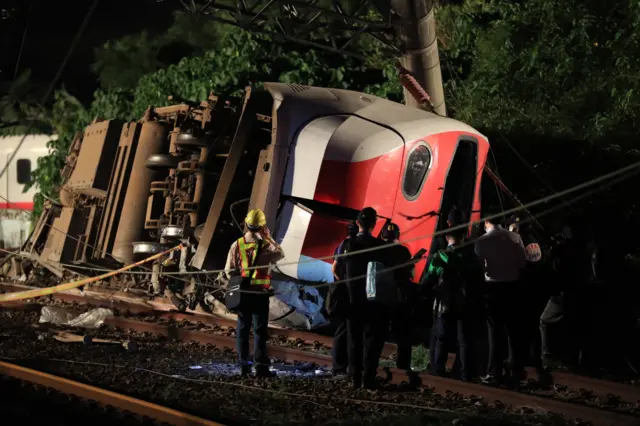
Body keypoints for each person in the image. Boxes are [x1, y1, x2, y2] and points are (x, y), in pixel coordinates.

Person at [225, 208, 285, 378]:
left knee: (242, 330)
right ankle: (260, 368)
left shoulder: (237, 245)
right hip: (260, 294)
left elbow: (229, 271)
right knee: (260, 331)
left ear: (246, 224)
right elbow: (281, 253)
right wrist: (269, 237)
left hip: (243, 294)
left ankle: (243, 367)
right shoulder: (266, 246)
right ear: (262, 227)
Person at [423, 225, 484, 381]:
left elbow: (430, 278)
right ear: (463, 236)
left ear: (446, 237)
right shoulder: (473, 257)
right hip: (465, 302)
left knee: (440, 336)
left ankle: (438, 370)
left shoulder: (440, 256)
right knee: (464, 340)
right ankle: (464, 373)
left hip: (444, 303)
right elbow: (479, 279)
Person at [474, 212, 527, 382]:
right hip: (513, 286)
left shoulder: (481, 241)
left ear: (486, 221)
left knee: (494, 331)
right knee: (514, 330)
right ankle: (515, 369)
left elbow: (480, 268)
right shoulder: (515, 237)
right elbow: (522, 263)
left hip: (492, 288)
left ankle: (494, 371)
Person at [344, 207, 390, 389]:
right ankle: (368, 379)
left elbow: (339, 271)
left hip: (353, 299)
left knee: (354, 339)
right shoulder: (380, 247)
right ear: (374, 224)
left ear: (357, 223)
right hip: (374, 300)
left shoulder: (349, 245)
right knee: (372, 340)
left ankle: (354, 377)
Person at [381, 222, 415, 371]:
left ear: (383, 236)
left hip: (381, 296)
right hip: (399, 296)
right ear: (398, 236)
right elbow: (411, 274)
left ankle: (369, 362)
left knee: (376, 332)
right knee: (403, 334)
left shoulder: (378, 251)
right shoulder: (404, 252)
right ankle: (403, 365)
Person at [328, 222, 359, 377]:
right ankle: (340, 367)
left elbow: (333, 268)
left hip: (342, 293)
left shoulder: (341, 245)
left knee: (342, 330)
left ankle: (340, 367)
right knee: (344, 331)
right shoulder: (352, 245)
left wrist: (341, 281)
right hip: (349, 293)